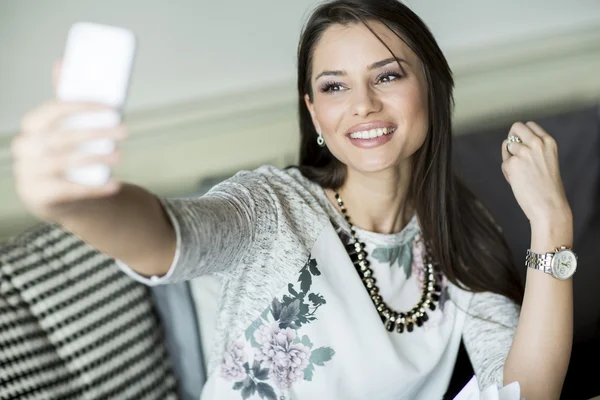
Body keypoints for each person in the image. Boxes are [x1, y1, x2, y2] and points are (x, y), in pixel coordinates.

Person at [10, 0, 575, 399]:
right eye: (334, 86)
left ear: (431, 86)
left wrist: (551, 222)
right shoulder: (270, 207)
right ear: (314, 112)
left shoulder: (459, 230)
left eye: (388, 76)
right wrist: (78, 204)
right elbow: (169, 236)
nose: (361, 104)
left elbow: (526, 391)